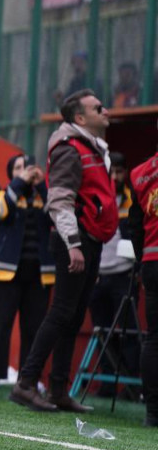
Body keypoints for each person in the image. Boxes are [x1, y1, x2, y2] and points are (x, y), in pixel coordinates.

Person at [9, 90, 117, 413]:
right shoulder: (72, 150)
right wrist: (73, 244)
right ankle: (26, 383)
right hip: (76, 240)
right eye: (98, 107)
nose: (106, 110)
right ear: (80, 118)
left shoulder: (91, 148)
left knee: (71, 315)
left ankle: (58, 389)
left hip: (88, 240)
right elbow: (59, 200)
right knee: (62, 312)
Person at [0, 155, 52, 387]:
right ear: (11, 175)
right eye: (19, 168)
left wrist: (40, 184)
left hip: (39, 272)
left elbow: (55, 214)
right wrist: (19, 183)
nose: (26, 171)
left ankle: (28, 378)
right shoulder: (2, 194)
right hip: (5, 272)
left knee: (34, 327)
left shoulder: (43, 196)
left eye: (28, 167)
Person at [88, 152, 140, 398]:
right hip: (98, 278)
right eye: (113, 172)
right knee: (102, 332)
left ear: (126, 173)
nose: (116, 177)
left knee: (129, 332)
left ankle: (134, 387)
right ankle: (108, 384)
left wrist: (136, 271)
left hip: (124, 277)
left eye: (120, 172)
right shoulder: (98, 198)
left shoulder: (134, 200)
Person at [127, 132, 158, 427]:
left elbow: (134, 226)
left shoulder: (140, 173)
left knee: (154, 338)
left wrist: (141, 260)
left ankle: (153, 412)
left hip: (151, 262)